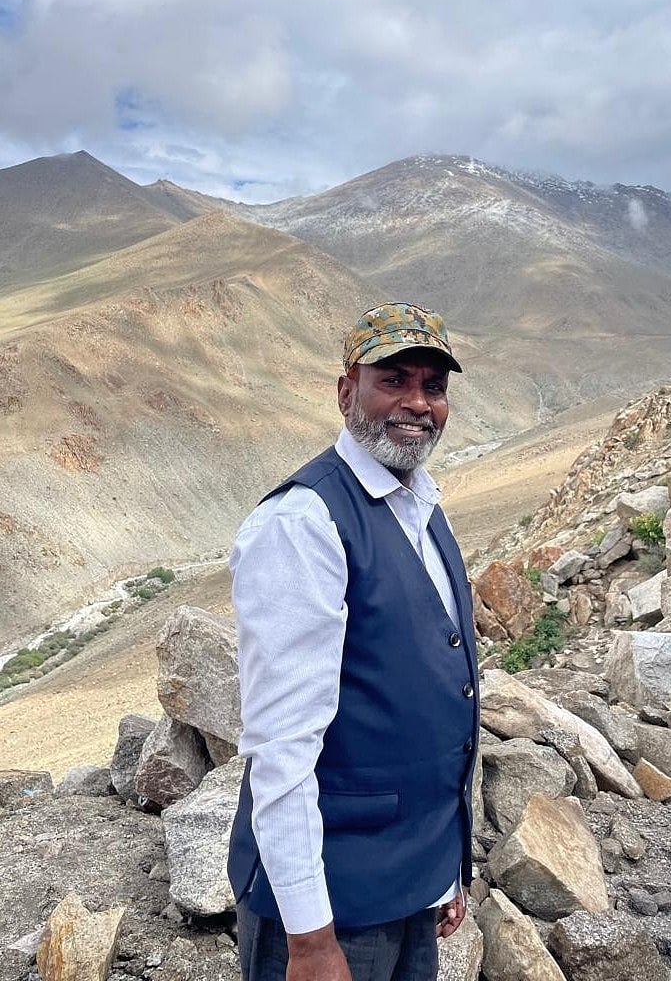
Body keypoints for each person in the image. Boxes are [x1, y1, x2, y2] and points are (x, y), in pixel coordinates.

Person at [227, 303, 479, 981]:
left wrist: (445, 868)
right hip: (332, 910)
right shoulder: (303, 523)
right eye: (393, 380)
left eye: (433, 386)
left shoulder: (420, 505)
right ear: (347, 392)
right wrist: (311, 941)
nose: (418, 403)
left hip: (413, 884)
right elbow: (282, 745)